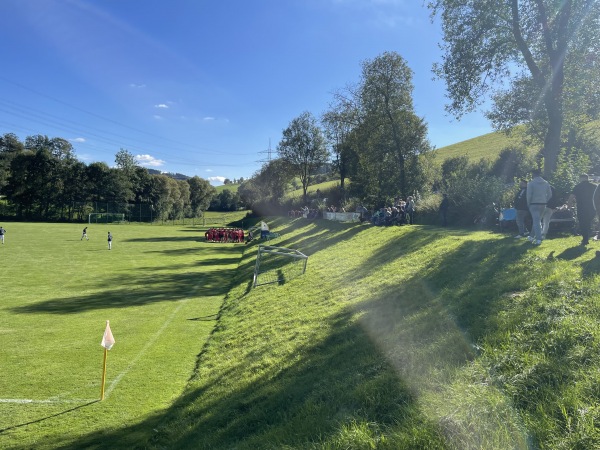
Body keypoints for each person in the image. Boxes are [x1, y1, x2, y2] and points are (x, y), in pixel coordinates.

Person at [567, 173, 598, 246]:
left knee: (583, 223)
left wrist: (569, 205)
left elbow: (571, 197)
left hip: (581, 207)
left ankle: (585, 239)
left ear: (581, 178)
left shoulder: (578, 187)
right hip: (592, 207)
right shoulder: (594, 186)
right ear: (587, 178)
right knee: (588, 222)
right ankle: (587, 235)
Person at [526, 169, 552, 245]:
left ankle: (538, 239)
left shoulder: (531, 183)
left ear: (533, 174)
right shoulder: (546, 183)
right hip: (543, 204)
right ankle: (531, 236)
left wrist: (528, 204)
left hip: (533, 204)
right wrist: (545, 200)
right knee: (537, 221)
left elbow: (529, 195)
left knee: (536, 222)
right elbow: (550, 194)